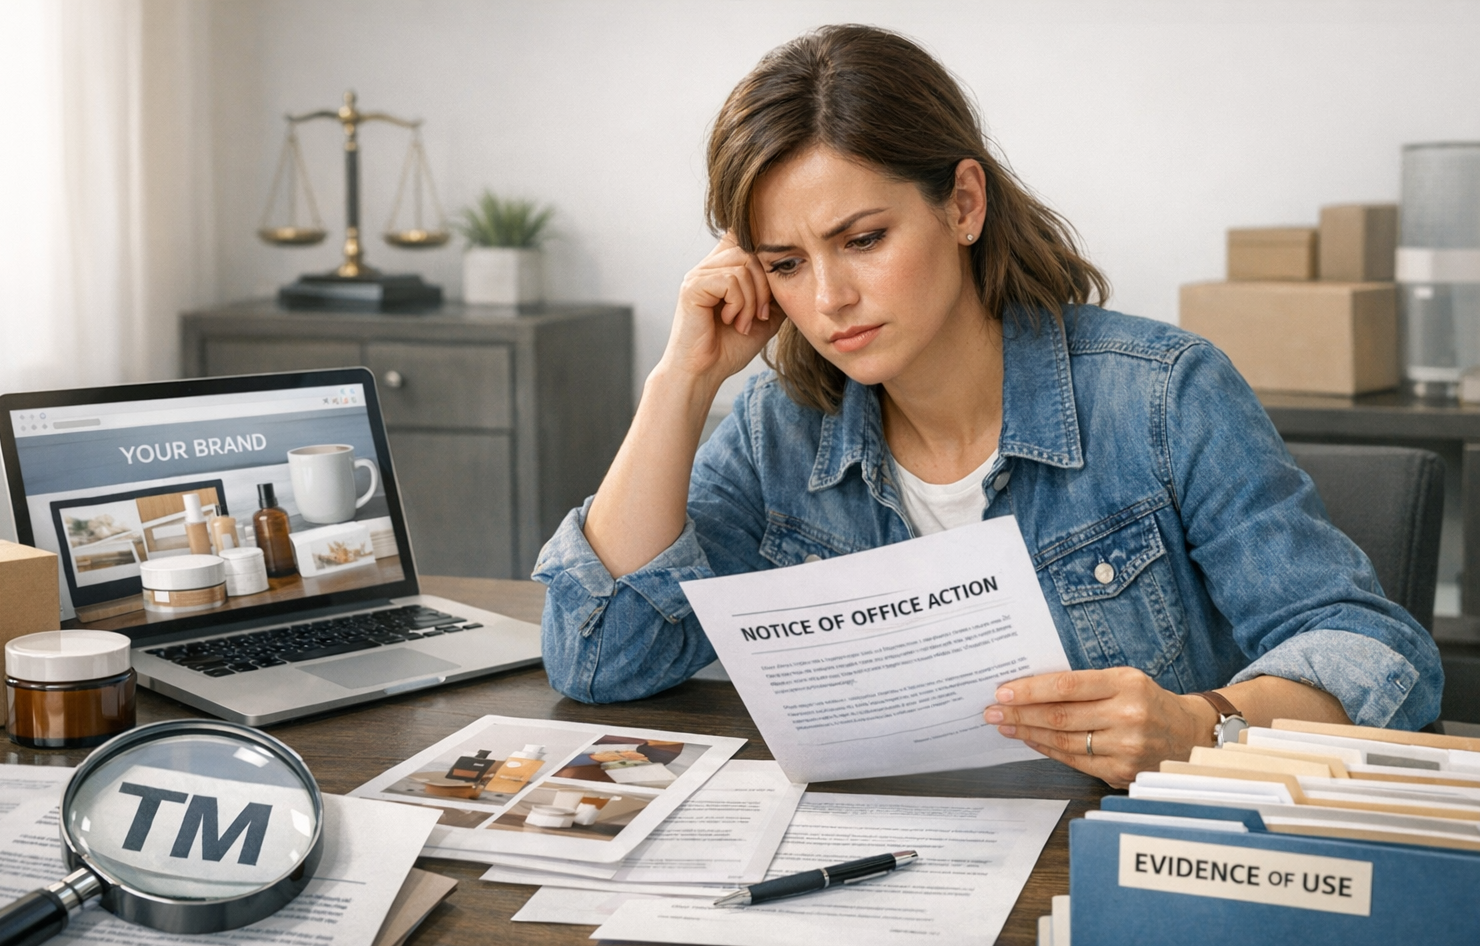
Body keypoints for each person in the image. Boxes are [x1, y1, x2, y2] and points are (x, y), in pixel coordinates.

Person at [532, 24, 1441, 787]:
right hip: (889, 889)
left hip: (1123, 875)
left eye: (863, 239)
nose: (830, 299)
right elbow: (601, 659)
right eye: (785, 264)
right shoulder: (779, 426)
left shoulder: (1163, 396)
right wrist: (680, 384)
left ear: (963, 204)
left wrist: (1203, 725)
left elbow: (1375, 653)